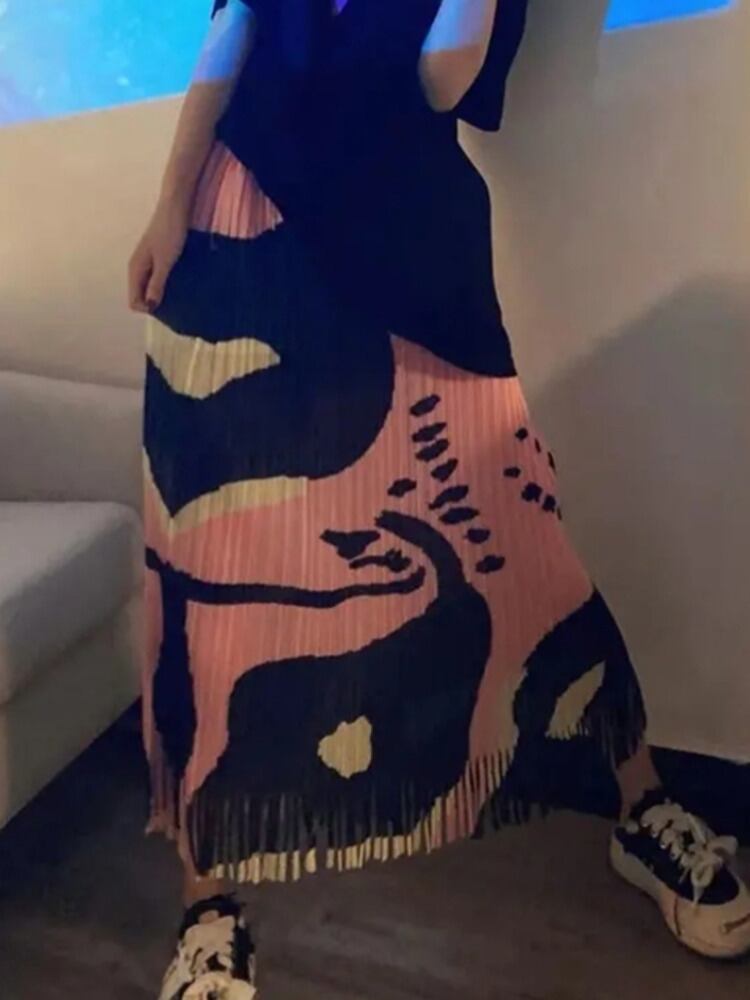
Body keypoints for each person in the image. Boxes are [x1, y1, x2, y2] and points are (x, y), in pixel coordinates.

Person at [128, 1, 750, 996]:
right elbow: (233, 23)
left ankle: (642, 807)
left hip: (409, 262)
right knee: (216, 574)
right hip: (236, 234)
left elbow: (438, 81)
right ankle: (209, 907)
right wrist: (170, 203)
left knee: (515, 537)